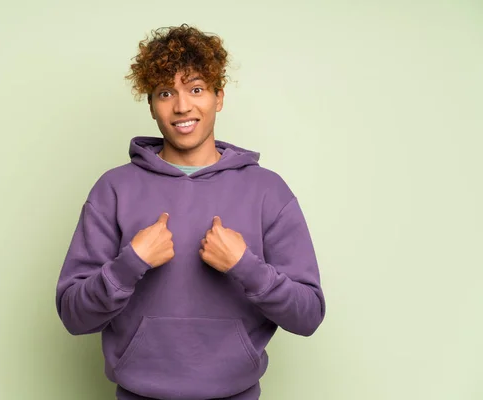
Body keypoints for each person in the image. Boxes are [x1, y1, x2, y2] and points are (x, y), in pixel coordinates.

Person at [55, 24, 326, 400]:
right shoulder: (113, 189)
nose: (182, 106)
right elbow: (73, 316)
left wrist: (245, 267)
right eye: (166, 93)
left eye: (196, 89)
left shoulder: (268, 191)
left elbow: (308, 315)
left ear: (219, 97)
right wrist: (129, 264)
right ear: (150, 104)